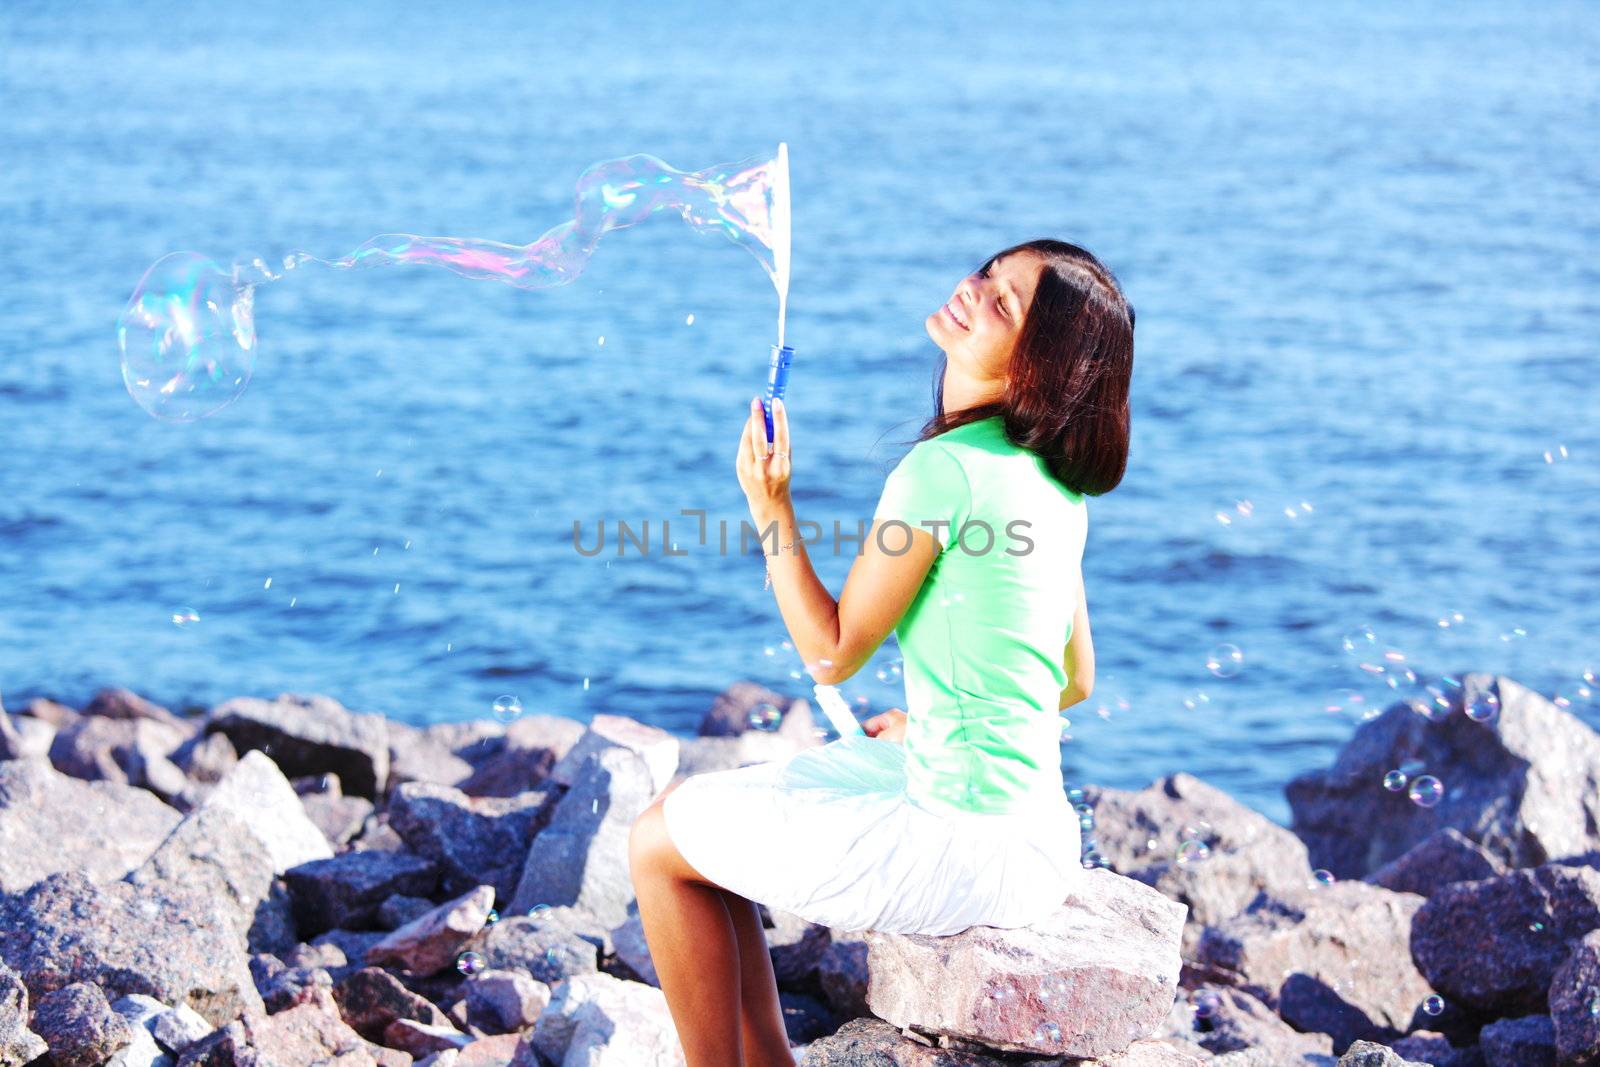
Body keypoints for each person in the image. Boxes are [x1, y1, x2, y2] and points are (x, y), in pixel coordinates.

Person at [628, 239, 1135, 1066]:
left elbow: (830, 654)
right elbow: (1074, 678)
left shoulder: (942, 471)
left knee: (656, 842)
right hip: (1035, 831)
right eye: (987, 274)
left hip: (961, 842)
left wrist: (770, 504)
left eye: (1002, 303)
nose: (972, 291)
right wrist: (933, 716)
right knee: (705, 832)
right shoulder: (1056, 480)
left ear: (1036, 370)